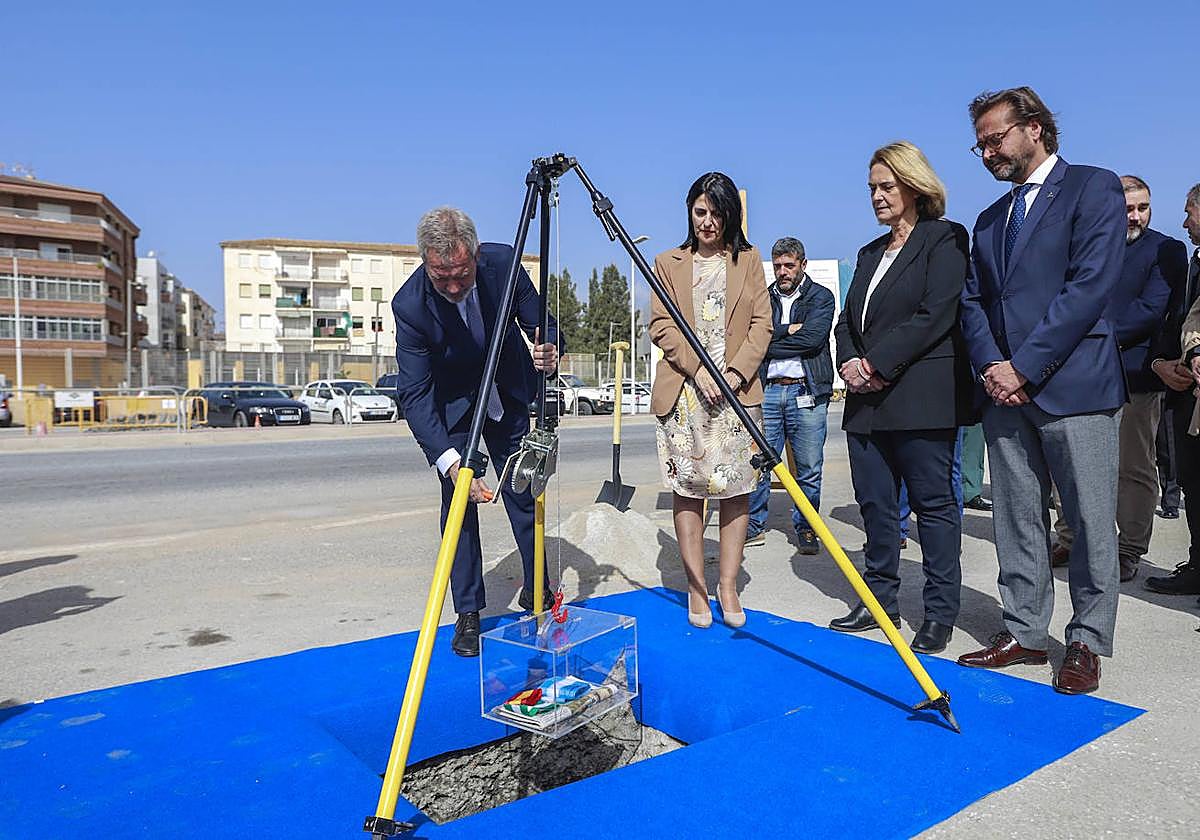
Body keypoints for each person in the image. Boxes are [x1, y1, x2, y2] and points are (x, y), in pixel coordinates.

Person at [957, 87, 1127, 695]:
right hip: (1003, 394)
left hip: (1073, 385)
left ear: (1035, 128)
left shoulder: (1093, 187)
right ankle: (1025, 630)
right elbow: (974, 300)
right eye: (978, 145)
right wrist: (992, 367)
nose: (986, 153)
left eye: (994, 139)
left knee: (1087, 520)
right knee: (1016, 518)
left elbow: (1088, 287)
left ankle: (1086, 639)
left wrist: (1024, 367)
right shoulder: (988, 221)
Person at [392, 207, 561, 658]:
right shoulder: (409, 306)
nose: (451, 285)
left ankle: (538, 587)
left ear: (476, 254)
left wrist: (548, 345)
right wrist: (449, 461)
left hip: (505, 391)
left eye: (460, 274)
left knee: (523, 493)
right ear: (426, 261)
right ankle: (468, 612)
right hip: (453, 407)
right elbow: (414, 393)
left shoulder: (503, 265)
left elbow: (540, 319)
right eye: (440, 275)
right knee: (459, 506)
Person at [832, 141, 973, 655]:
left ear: (915, 187)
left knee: (934, 509)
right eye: (871, 187)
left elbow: (935, 313)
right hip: (866, 404)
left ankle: (939, 612)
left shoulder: (944, 238)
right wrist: (850, 363)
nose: (877, 195)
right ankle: (879, 601)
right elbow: (847, 321)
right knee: (876, 507)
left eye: (886, 186)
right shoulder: (870, 253)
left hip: (920, 398)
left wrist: (876, 363)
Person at [1047, 176, 1188, 581]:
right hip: (1077, 373)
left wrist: (1083, 337)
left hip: (1135, 375)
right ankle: (1071, 538)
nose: (1136, 216)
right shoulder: (1085, 244)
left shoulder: (1165, 250)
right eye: (1128, 208)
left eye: (1143, 207)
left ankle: (1128, 549)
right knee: (1069, 464)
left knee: (1133, 467)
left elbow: (1150, 309)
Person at [650, 171, 772, 630]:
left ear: (730, 216)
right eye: (700, 212)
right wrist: (698, 370)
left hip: (736, 396)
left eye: (716, 213)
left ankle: (727, 584)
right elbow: (661, 325)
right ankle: (696, 588)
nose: (707, 222)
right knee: (690, 492)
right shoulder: (668, 261)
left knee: (737, 491)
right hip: (684, 393)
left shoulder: (750, 259)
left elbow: (762, 323)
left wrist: (735, 372)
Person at [747, 236, 835, 555]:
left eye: (789, 265)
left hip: (806, 391)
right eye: (778, 266)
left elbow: (812, 340)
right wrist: (789, 330)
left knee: (809, 467)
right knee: (759, 464)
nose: (783, 272)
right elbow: (751, 341)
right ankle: (754, 526)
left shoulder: (820, 297)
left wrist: (772, 338)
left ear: (803, 265)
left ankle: (806, 527)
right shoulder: (760, 299)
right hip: (766, 392)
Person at [1144, 183, 1200, 600]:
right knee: (1194, 486)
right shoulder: (1193, 262)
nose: (1184, 222)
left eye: (1189, 213)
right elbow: (1177, 320)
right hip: (1186, 392)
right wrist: (1162, 363)